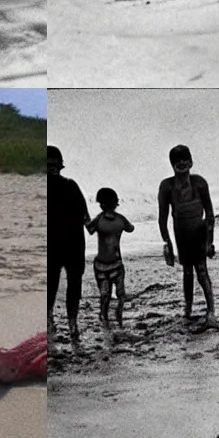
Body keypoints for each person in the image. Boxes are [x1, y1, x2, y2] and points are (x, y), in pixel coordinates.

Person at [159, 144, 218, 324]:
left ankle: (211, 309)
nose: (182, 163)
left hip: (199, 231)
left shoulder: (199, 182)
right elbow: (162, 218)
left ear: (191, 161)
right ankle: (188, 307)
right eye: (177, 161)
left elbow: (209, 214)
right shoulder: (167, 186)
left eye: (185, 159)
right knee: (187, 272)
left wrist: (210, 241)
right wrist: (167, 244)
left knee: (201, 270)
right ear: (172, 165)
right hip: (181, 233)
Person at [46, 145, 90, 354]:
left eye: (54, 165)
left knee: (72, 286)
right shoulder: (69, 186)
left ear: (60, 166)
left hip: (71, 245)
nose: (52, 168)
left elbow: (86, 216)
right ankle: (55, 320)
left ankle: (70, 322)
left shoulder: (71, 186)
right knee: (53, 286)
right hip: (58, 246)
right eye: (48, 165)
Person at [84, 188, 133, 336]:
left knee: (105, 294)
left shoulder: (99, 219)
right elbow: (130, 228)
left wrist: (85, 215)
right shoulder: (120, 219)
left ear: (101, 205)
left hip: (102, 264)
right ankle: (116, 316)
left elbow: (89, 228)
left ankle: (104, 317)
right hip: (115, 263)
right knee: (119, 294)